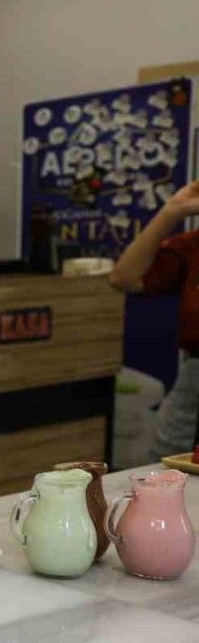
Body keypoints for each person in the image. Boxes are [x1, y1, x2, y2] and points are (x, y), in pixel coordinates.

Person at [109, 180, 199, 460]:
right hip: (192, 392)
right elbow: (124, 277)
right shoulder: (193, 246)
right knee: (166, 475)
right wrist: (173, 210)